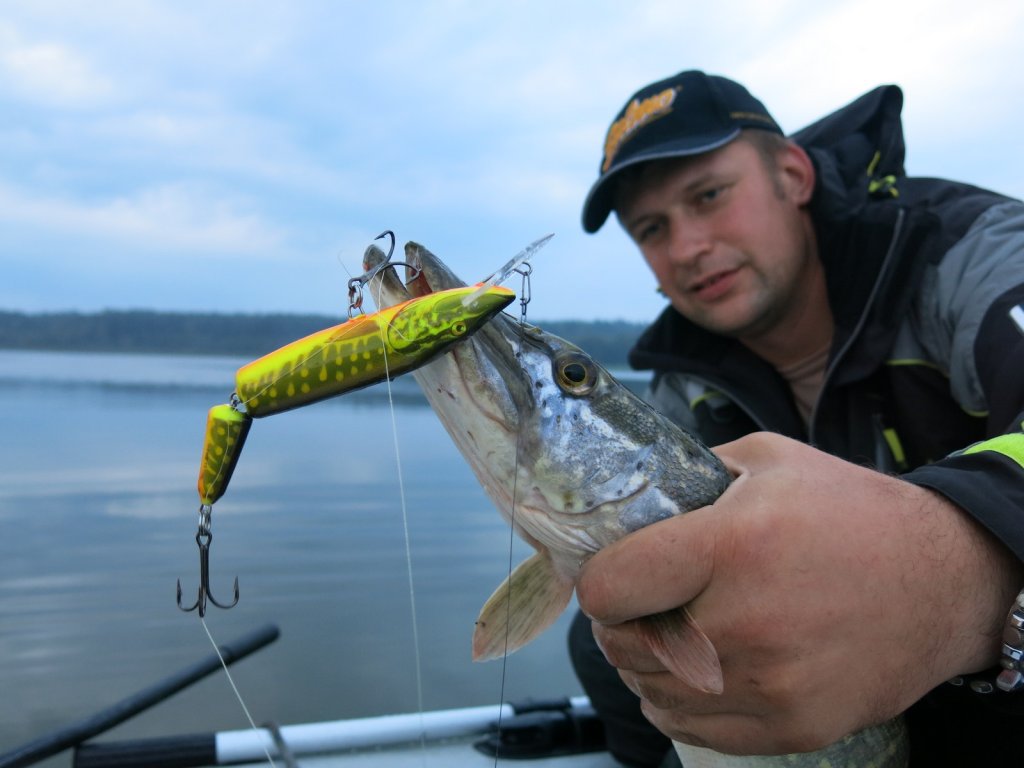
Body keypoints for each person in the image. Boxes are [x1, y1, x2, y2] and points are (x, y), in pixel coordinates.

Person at [571, 69, 1024, 766]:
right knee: (603, 637)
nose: (688, 247)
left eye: (710, 195)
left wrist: (960, 574)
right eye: (652, 228)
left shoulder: (969, 253)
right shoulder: (680, 381)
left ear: (792, 174)